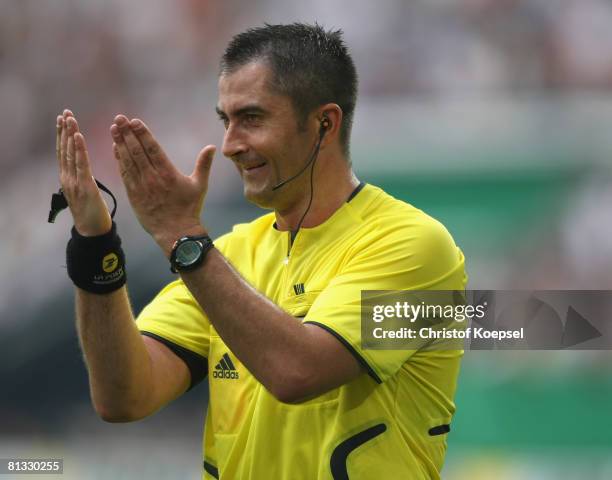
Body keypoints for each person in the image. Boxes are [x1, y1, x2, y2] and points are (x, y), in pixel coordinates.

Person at [55, 23, 467, 480]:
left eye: (251, 118)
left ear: (323, 124)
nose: (231, 144)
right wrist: (96, 248)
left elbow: (297, 372)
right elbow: (123, 397)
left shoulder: (415, 246)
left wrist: (181, 236)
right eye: (225, 120)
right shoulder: (231, 255)